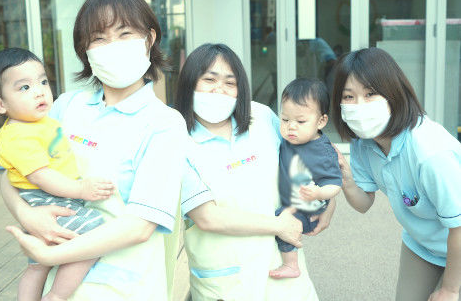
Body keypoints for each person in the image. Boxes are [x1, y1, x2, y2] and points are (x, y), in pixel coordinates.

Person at [3, 0, 187, 300]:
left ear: (150, 38)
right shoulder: (65, 107)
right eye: (99, 38)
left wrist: (49, 256)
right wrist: (26, 215)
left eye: (125, 33)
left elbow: (139, 227)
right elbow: (13, 172)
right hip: (57, 287)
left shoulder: (164, 124)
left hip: (124, 286)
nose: (112, 46)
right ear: (84, 49)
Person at [175, 43, 331, 300]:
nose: (219, 90)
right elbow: (206, 217)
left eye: (230, 82)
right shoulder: (176, 138)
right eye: (209, 80)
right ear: (190, 82)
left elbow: (309, 154)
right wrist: (278, 225)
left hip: (282, 267)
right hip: (224, 279)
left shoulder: (261, 117)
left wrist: (328, 198)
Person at [0, 47, 116, 301]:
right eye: (24, 88)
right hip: (47, 198)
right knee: (91, 237)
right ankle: (55, 296)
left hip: (47, 198)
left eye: (43, 81)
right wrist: (81, 190)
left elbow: (61, 144)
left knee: (37, 266)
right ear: (0, 104)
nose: (40, 91)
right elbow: (41, 176)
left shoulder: (40, 121)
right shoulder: (19, 135)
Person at [331, 47, 461, 301]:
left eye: (370, 94)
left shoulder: (430, 151)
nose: (359, 106)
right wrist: (346, 180)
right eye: (349, 97)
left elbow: (459, 226)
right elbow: (363, 203)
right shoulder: (364, 143)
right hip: (422, 245)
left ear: (394, 93)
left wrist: (450, 289)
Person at [269, 78, 342, 279]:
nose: (291, 127)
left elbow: (335, 184)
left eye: (300, 122)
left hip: (310, 204)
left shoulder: (323, 152)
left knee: (282, 218)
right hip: (296, 194)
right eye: (285, 120)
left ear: (321, 121)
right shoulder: (291, 137)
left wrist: (319, 193)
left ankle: (291, 265)